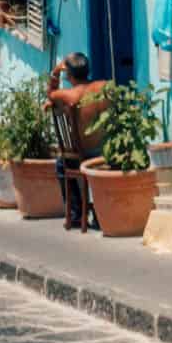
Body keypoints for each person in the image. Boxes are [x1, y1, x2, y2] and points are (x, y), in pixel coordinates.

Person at [46, 53, 108, 229]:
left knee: (61, 165)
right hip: (103, 152)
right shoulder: (102, 88)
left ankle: (75, 214)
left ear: (69, 76)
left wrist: (55, 72)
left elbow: (50, 94)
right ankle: (99, 214)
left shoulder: (69, 95)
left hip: (82, 155)